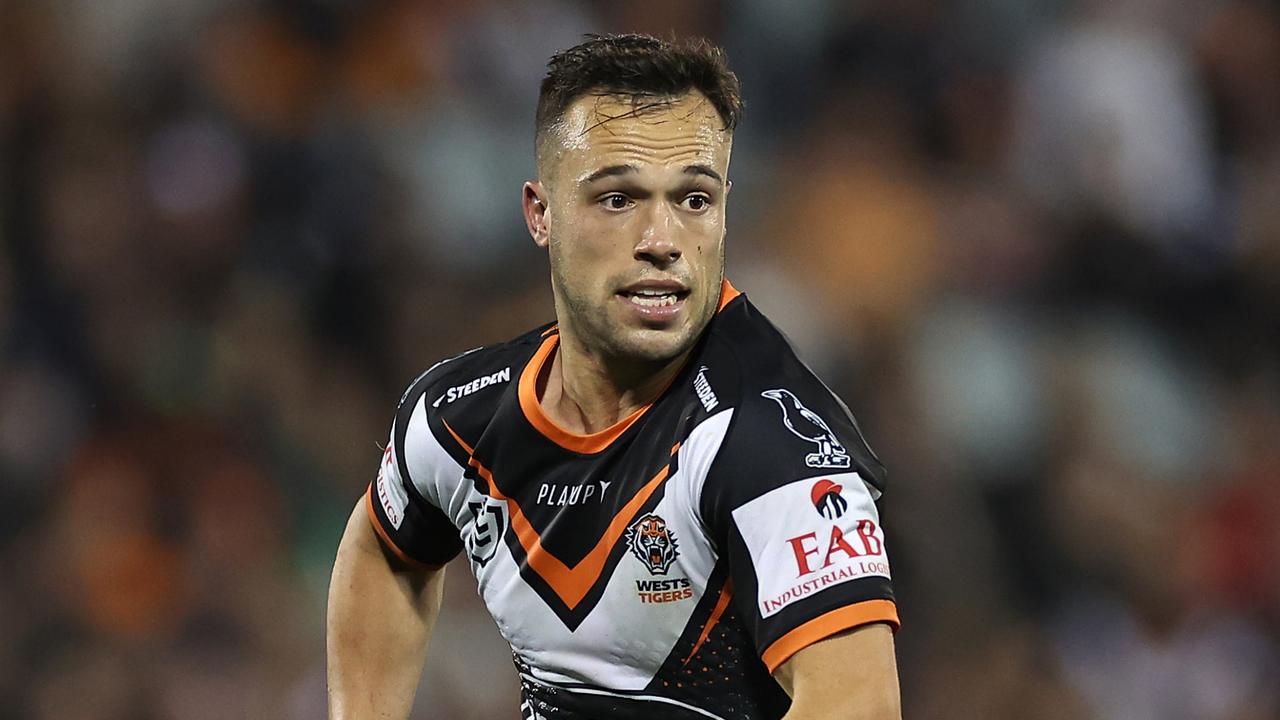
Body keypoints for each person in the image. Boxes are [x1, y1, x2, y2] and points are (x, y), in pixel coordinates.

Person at [327, 33, 902, 720]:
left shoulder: (769, 447)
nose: (662, 240)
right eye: (617, 199)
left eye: (694, 199)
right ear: (541, 214)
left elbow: (858, 705)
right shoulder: (458, 422)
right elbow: (385, 553)